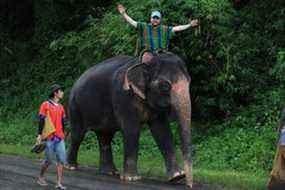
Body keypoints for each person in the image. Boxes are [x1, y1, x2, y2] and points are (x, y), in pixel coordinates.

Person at [117, 4, 199, 60]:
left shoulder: (164, 29)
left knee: (173, 61)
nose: (155, 20)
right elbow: (132, 22)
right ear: (150, 19)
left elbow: (177, 28)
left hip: (162, 54)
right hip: (147, 53)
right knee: (146, 62)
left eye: (157, 18)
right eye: (154, 18)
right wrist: (124, 14)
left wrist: (189, 25)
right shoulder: (144, 26)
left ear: (160, 20)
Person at [36, 84, 67, 190]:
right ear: (55, 93)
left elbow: (63, 123)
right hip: (49, 138)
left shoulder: (62, 107)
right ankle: (40, 177)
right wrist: (39, 135)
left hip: (60, 138)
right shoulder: (45, 105)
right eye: (61, 91)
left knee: (61, 160)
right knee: (48, 160)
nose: (62, 93)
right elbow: (41, 120)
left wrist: (63, 134)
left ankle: (58, 183)